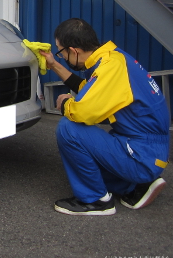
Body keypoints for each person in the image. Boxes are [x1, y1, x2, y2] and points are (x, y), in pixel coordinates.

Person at [40, 18, 170, 215]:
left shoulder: (110, 68)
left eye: (61, 52)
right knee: (89, 160)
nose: (62, 56)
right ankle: (134, 185)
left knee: (69, 129)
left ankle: (96, 200)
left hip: (142, 154)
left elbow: (83, 112)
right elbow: (89, 90)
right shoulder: (113, 58)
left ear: (73, 51)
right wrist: (54, 65)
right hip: (146, 148)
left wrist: (65, 104)